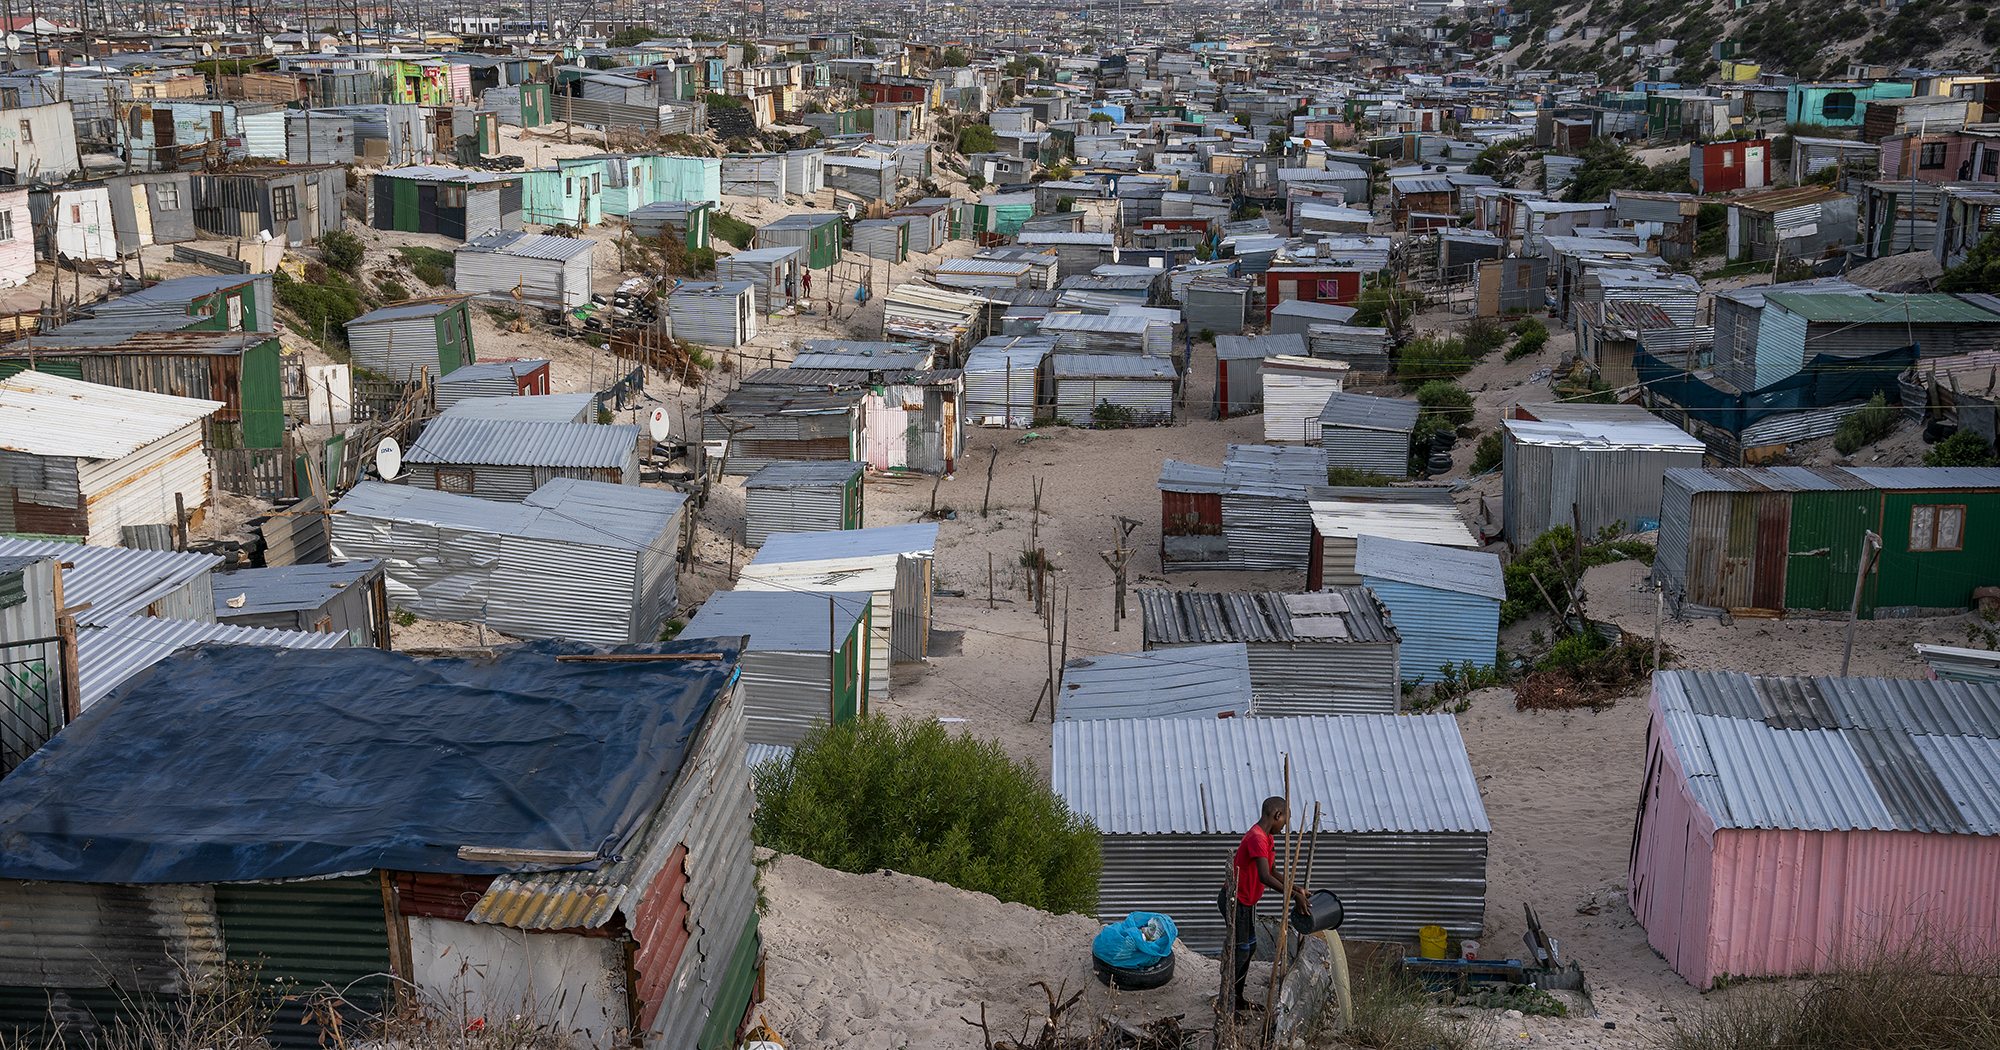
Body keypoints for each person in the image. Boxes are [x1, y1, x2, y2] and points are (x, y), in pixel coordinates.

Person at [1217, 796, 1311, 1015]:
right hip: (1235, 901)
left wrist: (1297, 890)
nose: (1283, 827)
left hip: (1247, 902)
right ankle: (1225, 1005)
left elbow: (1275, 872)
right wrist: (1292, 897)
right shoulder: (1256, 838)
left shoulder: (1267, 838)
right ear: (1277, 815)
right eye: (1284, 823)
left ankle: (1237, 998)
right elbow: (1264, 877)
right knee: (1240, 951)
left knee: (1249, 947)